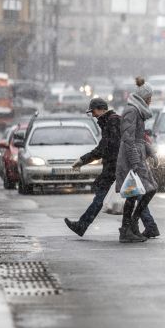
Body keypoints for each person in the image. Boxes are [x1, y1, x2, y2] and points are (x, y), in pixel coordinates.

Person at [64, 98, 121, 236]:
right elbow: (105, 147)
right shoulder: (109, 121)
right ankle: (148, 226)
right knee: (133, 197)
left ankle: (81, 226)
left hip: (114, 168)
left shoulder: (112, 122)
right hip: (116, 167)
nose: (93, 115)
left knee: (103, 198)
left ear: (101, 109)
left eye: (94, 111)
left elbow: (106, 148)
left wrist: (83, 160)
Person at [115, 77, 159, 243]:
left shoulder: (138, 111)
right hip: (131, 158)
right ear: (143, 97)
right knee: (138, 193)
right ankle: (128, 227)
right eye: (149, 97)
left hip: (137, 156)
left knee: (139, 192)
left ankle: (130, 226)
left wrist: (151, 152)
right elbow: (128, 139)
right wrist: (134, 163)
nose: (151, 100)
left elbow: (139, 138)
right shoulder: (132, 111)